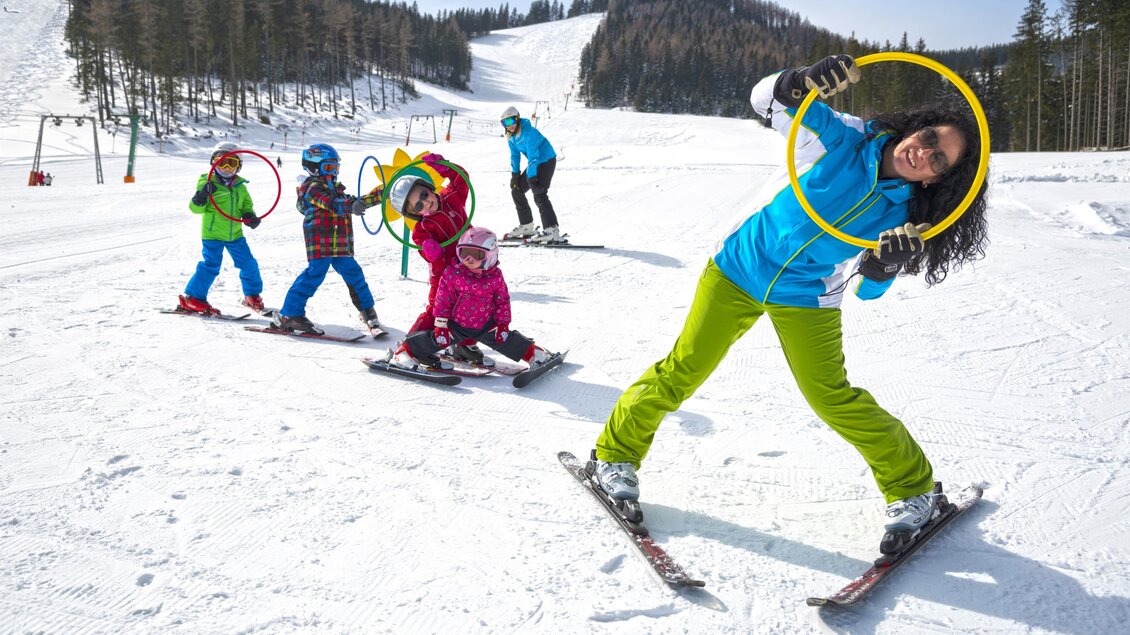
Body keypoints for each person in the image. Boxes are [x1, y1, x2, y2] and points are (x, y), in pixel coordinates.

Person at [588, 54, 990, 554]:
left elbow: (867, 288)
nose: (924, 154)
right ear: (917, 128)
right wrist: (800, 81)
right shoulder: (847, 136)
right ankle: (614, 456)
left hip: (806, 295)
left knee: (831, 396)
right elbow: (764, 99)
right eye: (930, 139)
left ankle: (914, 490)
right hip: (738, 267)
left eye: (938, 160)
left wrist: (885, 267)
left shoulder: (908, 215)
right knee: (683, 368)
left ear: (937, 179)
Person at [387, 227, 554, 371]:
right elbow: (442, 300)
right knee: (435, 339)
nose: (469, 260)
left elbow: (502, 301)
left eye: (476, 255)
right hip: (456, 325)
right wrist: (440, 325)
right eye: (464, 253)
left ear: (491, 255)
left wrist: (502, 324)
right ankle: (403, 352)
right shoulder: (453, 273)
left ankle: (535, 353)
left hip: (485, 325)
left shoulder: (495, 276)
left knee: (506, 340)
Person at [386, 152, 486, 367]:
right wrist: (431, 251)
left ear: (429, 187)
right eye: (418, 207)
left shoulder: (452, 198)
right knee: (437, 310)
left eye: (424, 195)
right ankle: (410, 347)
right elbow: (426, 251)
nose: (426, 204)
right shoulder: (423, 228)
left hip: (470, 266)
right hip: (444, 274)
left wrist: (446, 167)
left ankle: (463, 345)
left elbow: (462, 179)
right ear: (414, 213)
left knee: (473, 305)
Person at [272, 143, 382, 335]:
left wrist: (380, 195)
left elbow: (354, 202)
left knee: (355, 274)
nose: (333, 172)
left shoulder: (336, 188)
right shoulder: (311, 187)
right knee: (314, 275)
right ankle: (290, 314)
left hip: (340, 244)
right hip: (321, 243)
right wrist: (350, 205)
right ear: (314, 167)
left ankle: (368, 311)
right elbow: (331, 203)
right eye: (329, 167)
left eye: (336, 168)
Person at [178, 142, 267, 316]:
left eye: (231, 163)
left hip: (235, 235)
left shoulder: (241, 187)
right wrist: (201, 195)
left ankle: (252, 295)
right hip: (212, 234)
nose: (226, 168)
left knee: (249, 264)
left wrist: (249, 215)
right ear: (213, 163)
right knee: (211, 265)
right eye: (221, 162)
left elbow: (246, 206)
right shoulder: (207, 183)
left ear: (238, 167)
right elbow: (195, 209)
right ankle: (193, 298)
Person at [499, 106, 561, 244]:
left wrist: (531, 178)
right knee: (517, 190)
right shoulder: (511, 138)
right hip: (535, 163)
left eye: (511, 121)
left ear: (518, 119)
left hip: (546, 161)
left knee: (539, 193)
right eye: (505, 123)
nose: (509, 125)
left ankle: (551, 230)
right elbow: (515, 156)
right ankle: (527, 226)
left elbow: (533, 156)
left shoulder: (529, 133)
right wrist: (515, 176)